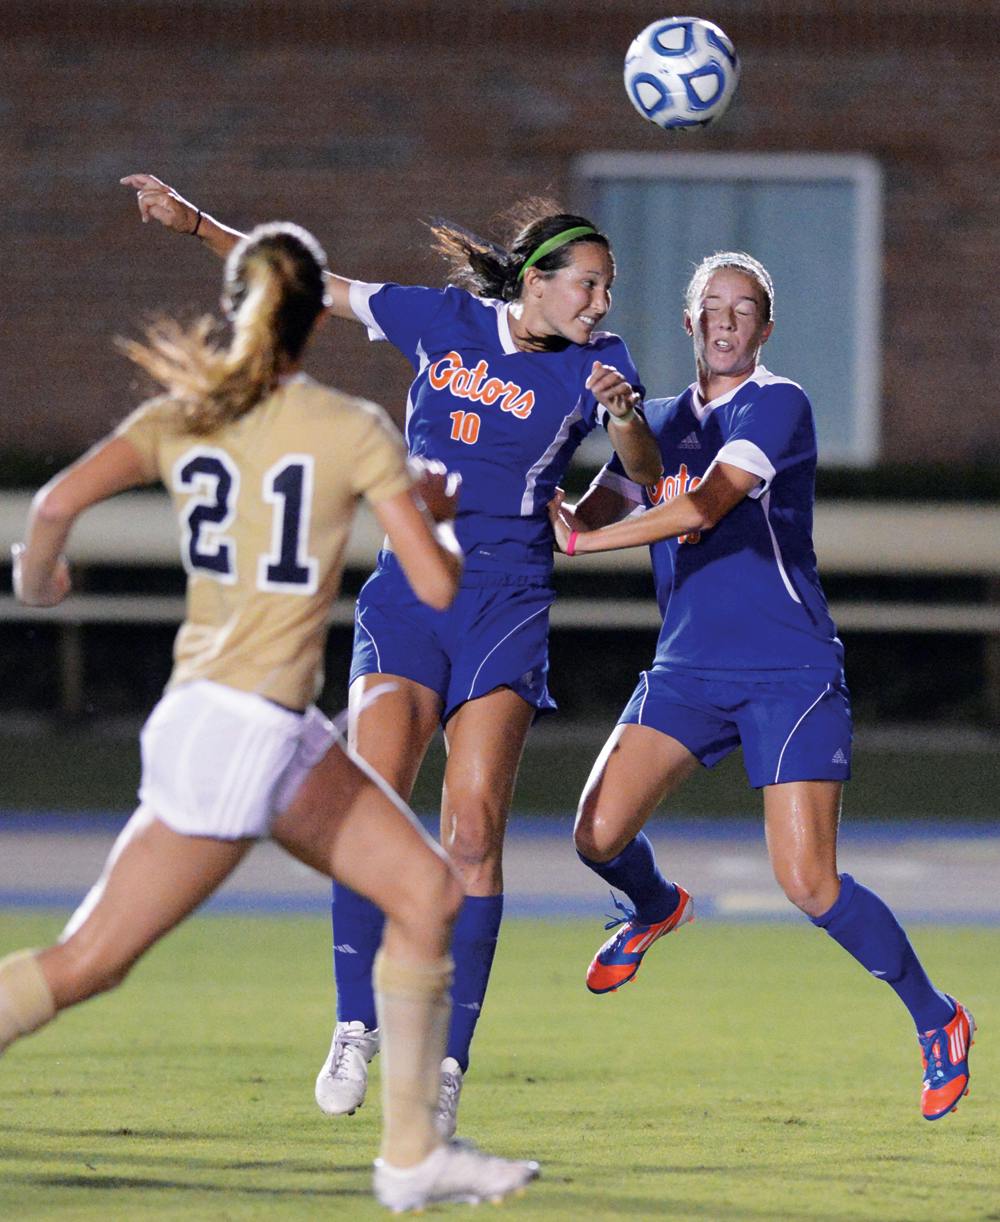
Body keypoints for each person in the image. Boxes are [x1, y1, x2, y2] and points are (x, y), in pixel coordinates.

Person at [1, 221, 539, 1211]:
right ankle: (411, 1144)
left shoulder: (182, 412)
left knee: (426, 894)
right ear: (308, 324)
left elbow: (47, 513)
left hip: (246, 722)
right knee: (90, 962)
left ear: (239, 308)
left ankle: (412, 1154)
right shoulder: (350, 429)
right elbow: (432, 582)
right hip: (240, 735)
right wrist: (443, 518)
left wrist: (42, 584)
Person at [121, 172, 663, 1135]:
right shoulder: (440, 319)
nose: (600, 302)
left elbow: (642, 481)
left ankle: (447, 1064)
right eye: (586, 283)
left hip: (507, 599)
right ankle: (353, 1026)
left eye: (607, 290)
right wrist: (194, 220)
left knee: (471, 831)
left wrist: (617, 434)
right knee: (371, 795)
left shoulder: (604, 365)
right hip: (411, 590)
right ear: (535, 283)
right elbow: (303, 283)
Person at [548, 251, 975, 1122]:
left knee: (809, 883)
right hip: (686, 669)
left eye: (745, 308)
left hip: (789, 667)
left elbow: (704, 505)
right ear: (690, 319)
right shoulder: (655, 419)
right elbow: (590, 506)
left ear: (765, 328)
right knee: (594, 835)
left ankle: (939, 1019)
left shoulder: (778, 404)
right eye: (714, 304)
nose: (728, 319)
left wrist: (591, 543)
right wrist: (530, 496)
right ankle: (656, 906)